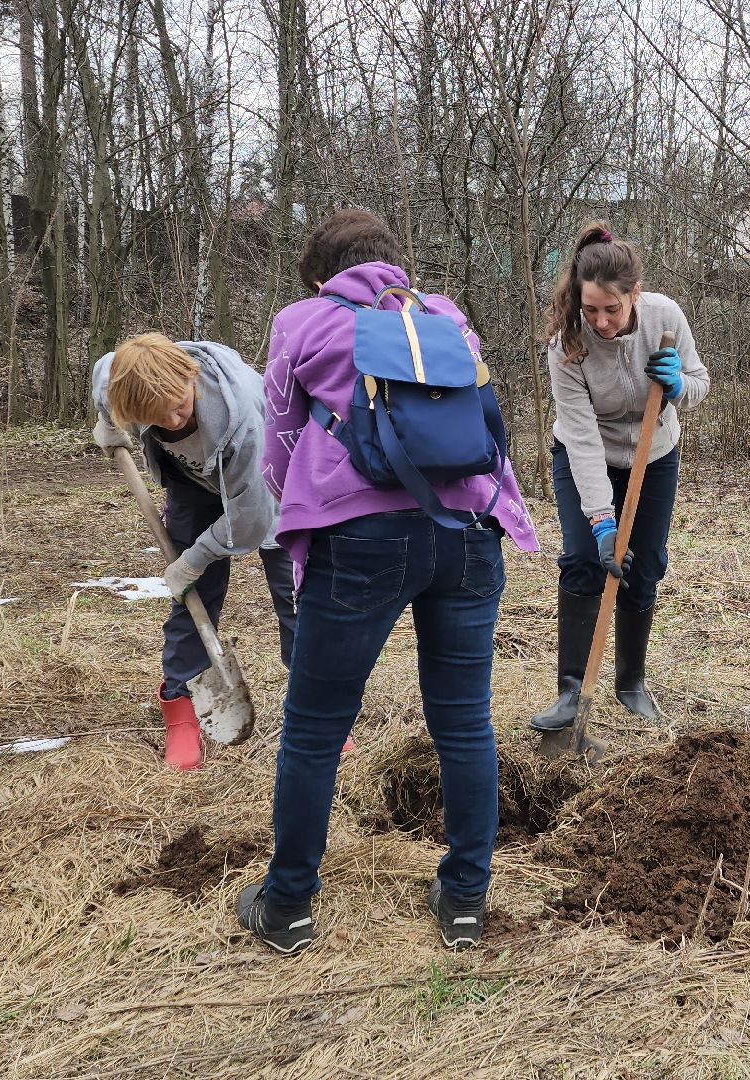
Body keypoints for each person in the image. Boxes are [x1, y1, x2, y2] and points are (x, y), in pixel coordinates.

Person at [236, 209, 538, 954]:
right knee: (464, 722)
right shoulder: (444, 317)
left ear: (319, 277)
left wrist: (308, 509)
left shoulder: (303, 322)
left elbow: (278, 444)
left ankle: (288, 905)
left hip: (360, 545)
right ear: (394, 264)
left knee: (315, 728)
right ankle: (464, 900)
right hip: (468, 536)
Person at [528, 223, 709, 733]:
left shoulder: (665, 316)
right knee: (586, 558)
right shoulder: (566, 342)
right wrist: (602, 521)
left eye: (612, 309)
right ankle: (571, 690)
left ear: (634, 293)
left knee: (644, 565)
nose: (602, 322)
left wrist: (677, 386)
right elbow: (582, 437)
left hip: (655, 453)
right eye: (591, 310)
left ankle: (631, 682)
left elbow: (700, 383)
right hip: (586, 453)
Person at [90, 333, 294, 772]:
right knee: (192, 598)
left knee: (295, 596)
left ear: (191, 377)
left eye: (179, 406)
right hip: (193, 482)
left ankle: (319, 712)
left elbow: (250, 520)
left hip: (271, 487)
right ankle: (181, 712)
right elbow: (103, 372)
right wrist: (109, 423)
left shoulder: (242, 419)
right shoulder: (119, 380)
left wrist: (194, 558)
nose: (171, 418)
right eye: (155, 416)